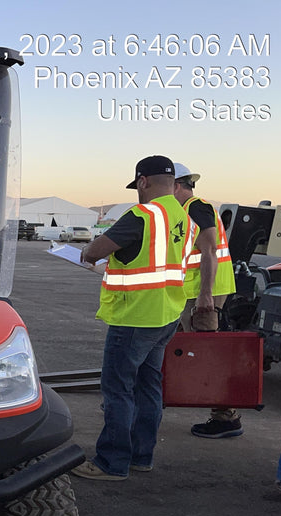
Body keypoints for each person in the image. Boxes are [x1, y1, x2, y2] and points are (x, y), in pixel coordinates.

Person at [71, 155, 194, 481]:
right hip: (167, 314)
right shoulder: (183, 217)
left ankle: (112, 462)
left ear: (143, 182)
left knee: (118, 389)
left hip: (136, 316)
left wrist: (88, 252)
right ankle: (141, 456)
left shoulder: (143, 214)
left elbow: (95, 250)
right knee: (148, 387)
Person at [172, 162, 241, 438]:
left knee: (206, 354)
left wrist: (205, 295)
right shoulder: (185, 211)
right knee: (174, 346)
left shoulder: (196, 208)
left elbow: (209, 252)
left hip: (201, 294)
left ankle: (226, 416)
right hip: (188, 292)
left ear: (176, 186)